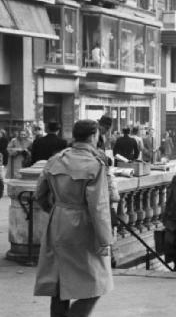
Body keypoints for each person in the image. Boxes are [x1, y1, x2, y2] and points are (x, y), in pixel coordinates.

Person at [33, 119, 113, 316]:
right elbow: (99, 206)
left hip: (58, 221)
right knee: (97, 282)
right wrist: (105, 240)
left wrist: (55, 210)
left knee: (59, 283)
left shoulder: (55, 160)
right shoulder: (96, 164)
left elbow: (39, 194)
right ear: (94, 136)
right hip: (83, 225)